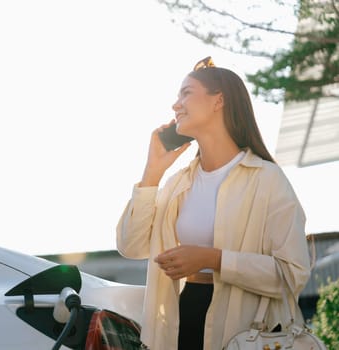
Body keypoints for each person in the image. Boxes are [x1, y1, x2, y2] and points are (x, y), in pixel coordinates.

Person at [116, 57, 311, 350]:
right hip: (181, 323)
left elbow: (292, 275)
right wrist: (152, 172)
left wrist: (213, 259)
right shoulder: (177, 184)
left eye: (186, 93)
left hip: (247, 333)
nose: (175, 105)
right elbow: (130, 246)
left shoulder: (268, 180)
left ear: (218, 100)